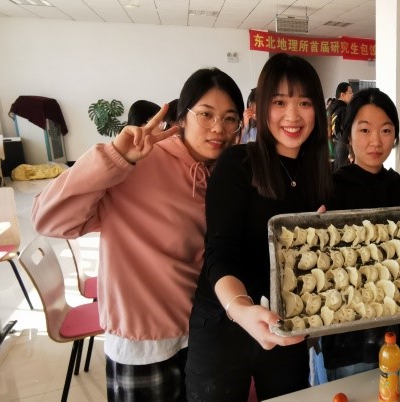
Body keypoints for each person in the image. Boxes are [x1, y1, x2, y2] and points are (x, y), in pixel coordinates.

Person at [32, 67, 244, 401]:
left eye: (230, 118)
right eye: (206, 114)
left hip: (204, 333)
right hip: (144, 342)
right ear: (182, 118)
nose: (218, 127)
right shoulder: (138, 162)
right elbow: (49, 220)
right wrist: (114, 158)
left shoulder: (226, 173)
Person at [185, 53, 332, 401]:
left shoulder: (320, 175)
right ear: (262, 107)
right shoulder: (238, 164)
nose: (292, 116)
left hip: (286, 325)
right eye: (279, 102)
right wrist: (240, 309)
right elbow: (220, 252)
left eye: (304, 103)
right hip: (224, 321)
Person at [321, 88, 400, 379]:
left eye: (386, 130)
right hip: (349, 334)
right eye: (364, 130)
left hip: (397, 325)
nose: (376, 141)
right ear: (348, 136)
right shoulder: (332, 190)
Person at [329, 82, 354, 170]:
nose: (352, 95)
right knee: (343, 171)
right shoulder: (343, 109)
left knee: (337, 170)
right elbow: (346, 129)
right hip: (343, 145)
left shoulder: (332, 109)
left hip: (335, 144)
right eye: (350, 93)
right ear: (342, 94)